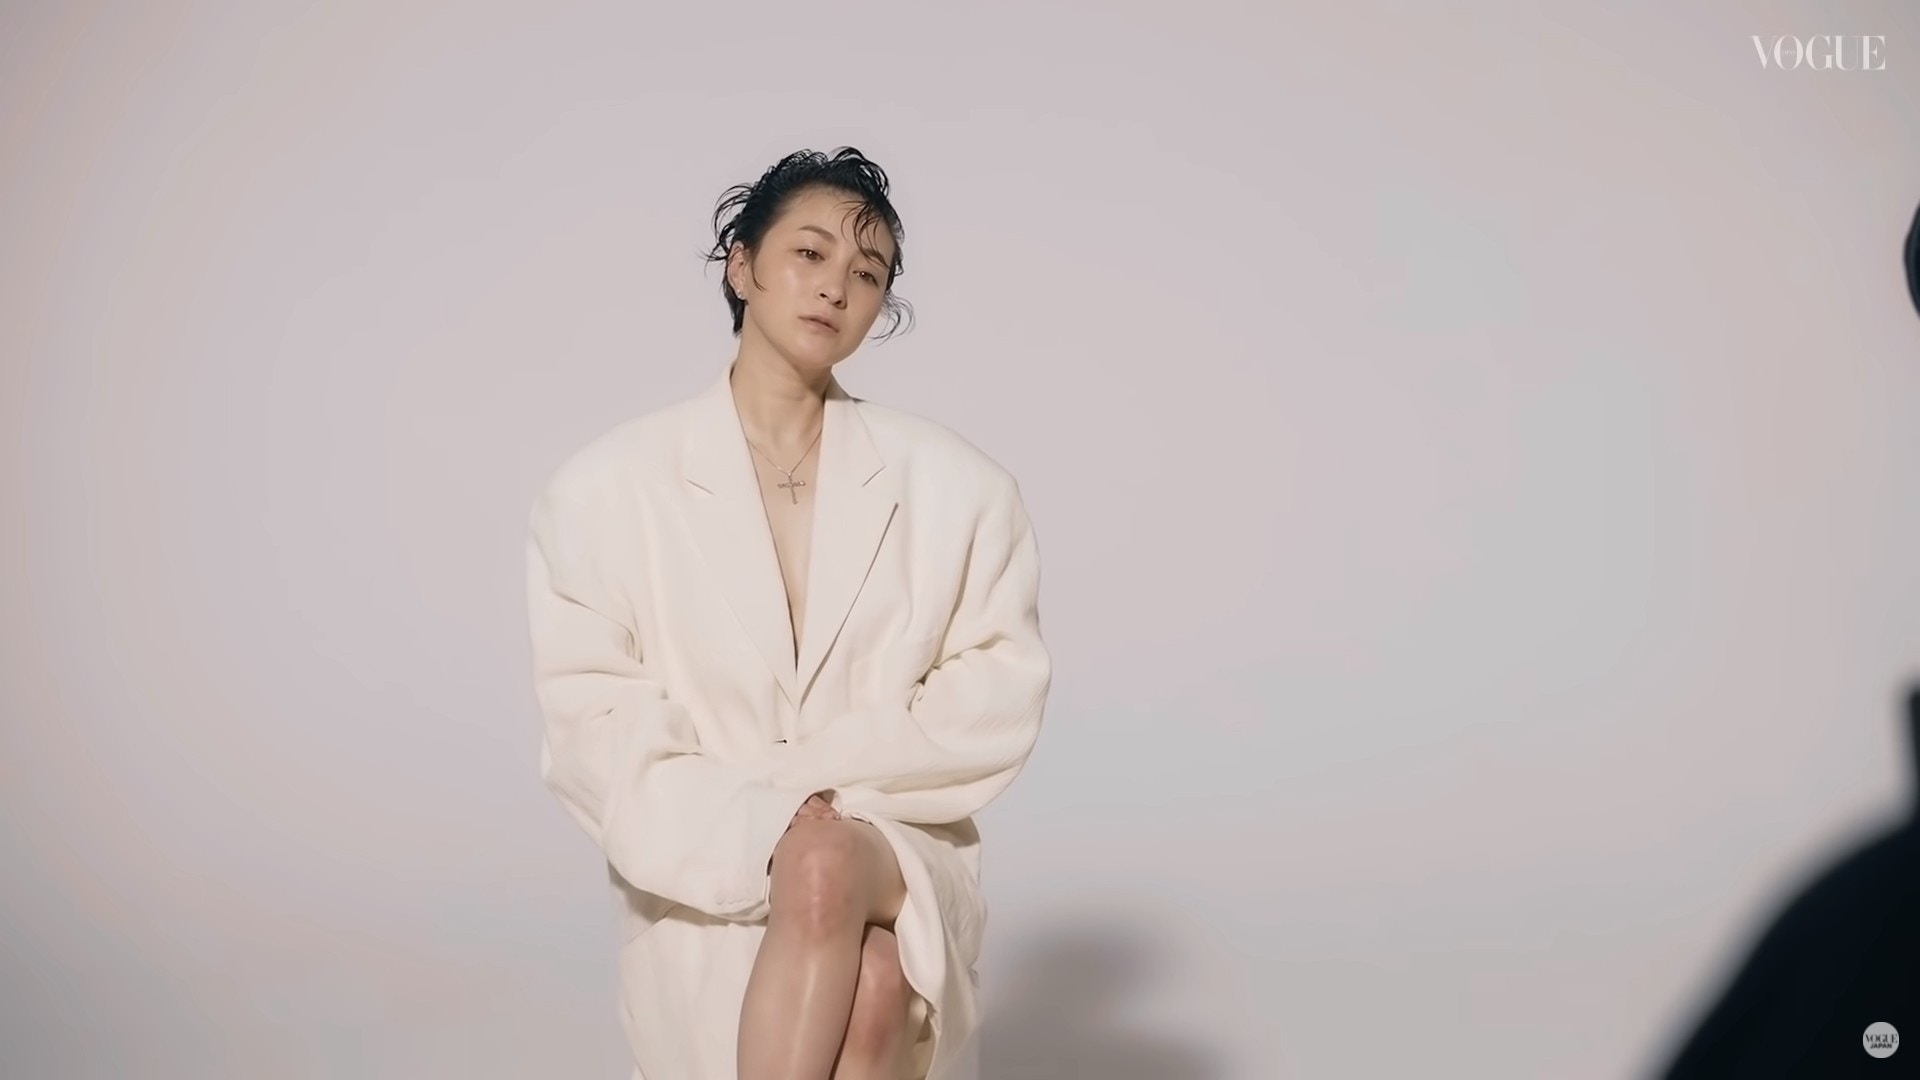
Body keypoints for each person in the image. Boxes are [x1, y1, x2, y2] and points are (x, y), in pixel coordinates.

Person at [525, 147, 1052, 1080]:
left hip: (895, 847)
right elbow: (594, 731)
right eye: (809, 253)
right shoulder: (604, 491)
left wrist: (808, 794)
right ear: (742, 265)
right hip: (704, 858)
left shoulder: (963, 490)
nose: (836, 287)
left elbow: (992, 698)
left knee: (824, 865)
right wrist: (763, 816)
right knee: (877, 978)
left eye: (868, 272)